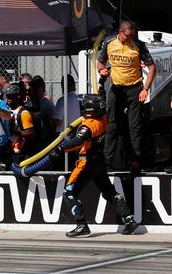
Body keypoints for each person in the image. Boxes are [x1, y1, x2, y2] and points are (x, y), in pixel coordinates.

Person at [52, 95, 137, 237]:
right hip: (99, 161)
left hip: (86, 162)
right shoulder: (103, 119)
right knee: (109, 191)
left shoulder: (90, 125)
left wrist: (61, 148)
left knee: (69, 191)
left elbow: (78, 141)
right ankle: (128, 219)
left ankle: (81, 225)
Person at [98, 20, 156, 172]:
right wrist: (101, 71)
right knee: (112, 126)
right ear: (120, 32)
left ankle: (136, 162)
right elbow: (100, 62)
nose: (130, 38)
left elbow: (152, 67)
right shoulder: (108, 42)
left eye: (132, 35)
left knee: (135, 127)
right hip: (116, 88)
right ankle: (106, 161)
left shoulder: (138, 44)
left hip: (134, 88)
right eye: (128, 35)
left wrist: (146, 89)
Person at [4, 83, 38, 164]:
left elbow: (30, 133)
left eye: (10, 96)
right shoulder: (7, 110)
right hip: (9, 149)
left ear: (18, 96)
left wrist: (13, 131)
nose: (8, 98)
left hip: (20, 152)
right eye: (7, 96)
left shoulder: (23, 113)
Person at [27, 75, 54, 146]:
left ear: (40, 89)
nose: (32, 92)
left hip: (45, 140)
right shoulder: (32, 103)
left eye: (34, 89)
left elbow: (52, 124)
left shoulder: (47, 104)